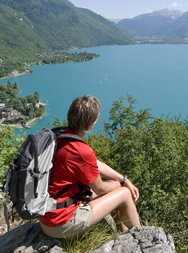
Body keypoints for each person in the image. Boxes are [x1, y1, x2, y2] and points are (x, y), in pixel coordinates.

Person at [40, 95, 141, 238]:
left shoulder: (60, 137)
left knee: (118, 186)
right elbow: (99, 188)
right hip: (62, 224)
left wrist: (123, 179)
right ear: (91, 123)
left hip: (48, 216)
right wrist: (123, 186)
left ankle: (123, 233)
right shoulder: (80, 150)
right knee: (124, 193)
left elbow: (94, 164)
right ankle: (141, 239)